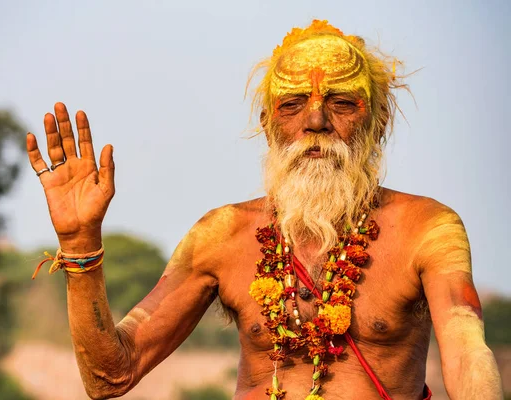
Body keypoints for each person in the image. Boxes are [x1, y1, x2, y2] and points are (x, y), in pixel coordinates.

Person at [26, 20, 503, 400]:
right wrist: (79, 243)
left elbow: (466, 355)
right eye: (292, 105)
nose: (315, 122)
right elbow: (108, 376)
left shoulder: (428, 228)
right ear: (268, 125)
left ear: (377, 123)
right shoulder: (222, 235)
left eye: (341, 102)